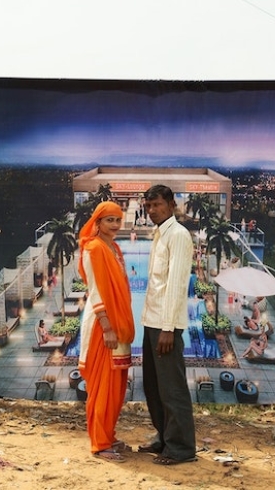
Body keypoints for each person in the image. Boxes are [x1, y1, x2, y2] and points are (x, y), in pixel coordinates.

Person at [138, 185, 197, 466]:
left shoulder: (178, 236)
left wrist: (168, 328)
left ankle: (181, 448)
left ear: (171, 204)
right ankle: (164, 437)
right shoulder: (159, 234)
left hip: (165, 325)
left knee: (172, 388)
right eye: (148, 206)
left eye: (157, 205)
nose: (152, 211)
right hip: (152, 321)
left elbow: (176, 285)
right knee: (153, 386)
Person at [77, 201, 135, 463]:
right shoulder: (93, 248)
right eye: (109, 220)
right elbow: (96, 289)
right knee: (102, 385)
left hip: (119, 325)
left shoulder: (115, 248)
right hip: (103, 327)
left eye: (117, 220)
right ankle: (99, 444)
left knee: (117, 386)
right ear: (97, 222)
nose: (114, 225)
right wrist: (107, 326)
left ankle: (109, 436)